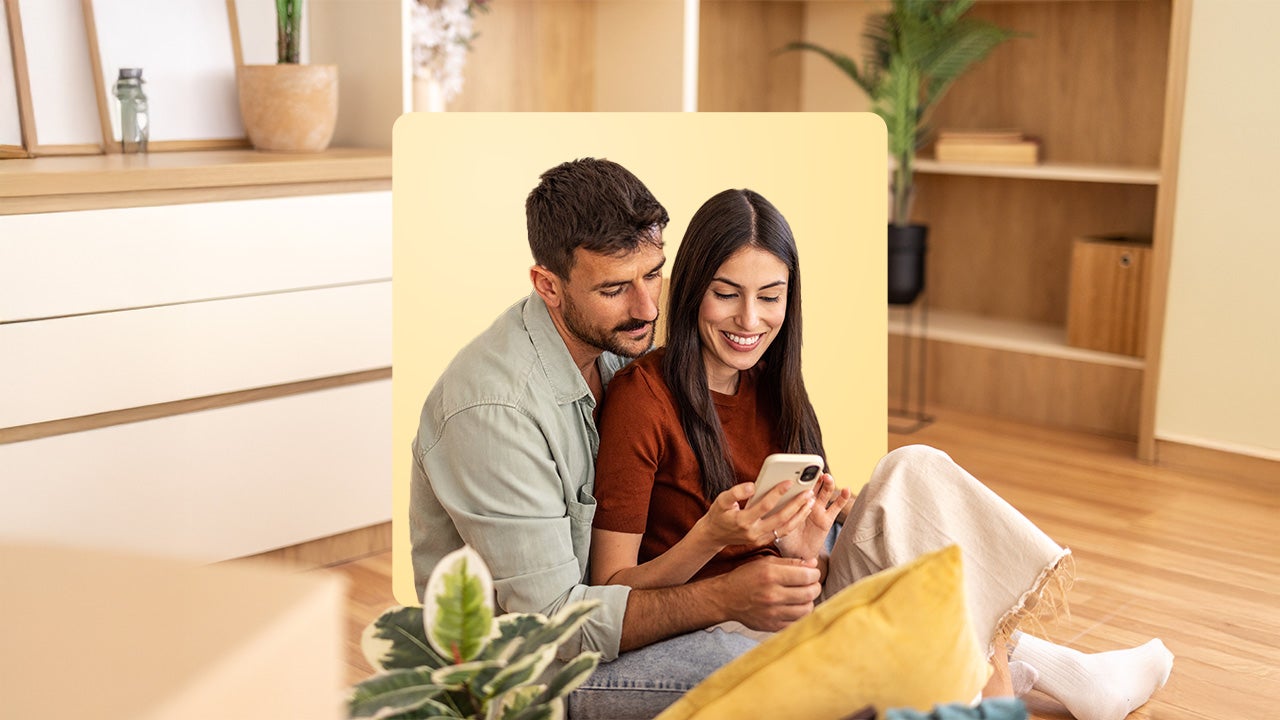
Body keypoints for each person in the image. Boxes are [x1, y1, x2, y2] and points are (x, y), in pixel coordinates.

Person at [591, 188, 1176, 720]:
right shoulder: (641, 400)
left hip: (784, 607)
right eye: (727, 295)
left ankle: (1010, 683)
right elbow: (613, 586)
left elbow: (804, 575)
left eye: (770, 297)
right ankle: (1019, 683)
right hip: (704, 627)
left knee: (909, 471)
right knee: (903, 581)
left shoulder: (772, 385)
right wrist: (712, 538)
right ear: (693, 289)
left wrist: (803, 552)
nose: (750, 320)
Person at [409, 160, 824, 720]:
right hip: (539, 674)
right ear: (548, 286)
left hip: (629, 625)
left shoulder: (617, 342)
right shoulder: (493, 412)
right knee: (748, 663)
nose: (649, 309)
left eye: (653, 274)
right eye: (614, 288)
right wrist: (725, 596)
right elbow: (556, 630)